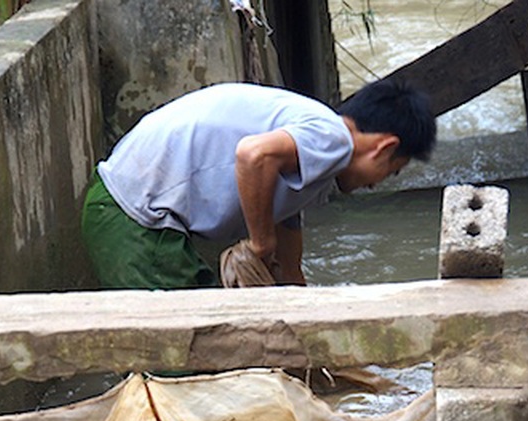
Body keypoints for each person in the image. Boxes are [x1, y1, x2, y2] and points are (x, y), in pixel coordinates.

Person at [81, 77, 436, 290]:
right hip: (134, 219)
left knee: (211, 344)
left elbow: (290, 258)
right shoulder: (334, 139)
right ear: (384, 147)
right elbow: (253, 155)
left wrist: (301, 307)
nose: (377, 184)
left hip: (125, 209)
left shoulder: (312, 140)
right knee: (190, 362)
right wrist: (260, 243)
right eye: (392, 171)